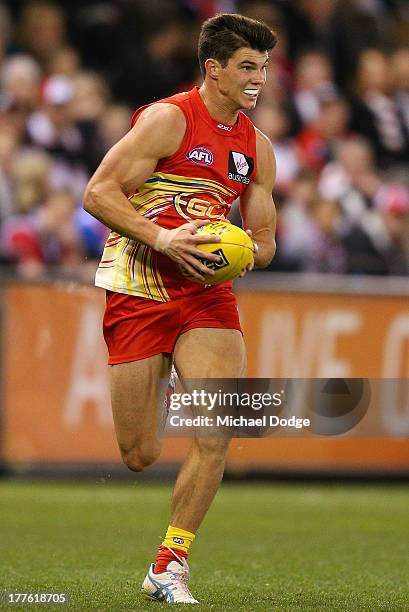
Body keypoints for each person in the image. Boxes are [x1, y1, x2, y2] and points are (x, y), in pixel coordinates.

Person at [83, 13, 277, 605]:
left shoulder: (257, 148)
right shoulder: (170, 119)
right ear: (213, 68)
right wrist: (165, 238)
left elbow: (265, 242)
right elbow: (97, 193)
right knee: (139, 454)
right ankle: (166, 378)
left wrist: (237, 251)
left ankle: (169, 565)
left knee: (216, 430)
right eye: (247, 66)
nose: (258, 79)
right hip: (141, 284)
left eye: (264, 68)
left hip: (207, 295)